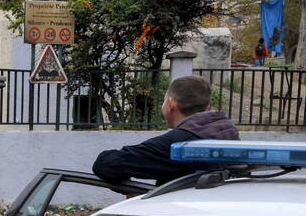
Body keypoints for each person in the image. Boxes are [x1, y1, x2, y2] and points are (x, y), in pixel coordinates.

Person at [93, 76, 239, 186]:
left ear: (170, 104)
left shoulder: (178, 144)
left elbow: (106, 164)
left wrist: (125, 186)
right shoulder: (229, 135)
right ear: (208, 107)